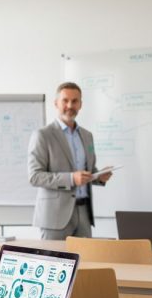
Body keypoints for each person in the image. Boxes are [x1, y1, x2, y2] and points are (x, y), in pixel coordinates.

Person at [28, 82, 113, 240]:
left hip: (84, 214)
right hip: (54, 217)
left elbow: (88, 171)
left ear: (80, 104)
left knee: (84, 257)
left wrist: (99, 177)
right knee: (54, 257)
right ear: (56, 103)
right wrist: (71, 178)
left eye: (75, 101)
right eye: (65, 100)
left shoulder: (87, 136)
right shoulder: (43, 135)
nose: (70, 105)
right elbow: (35, 177)